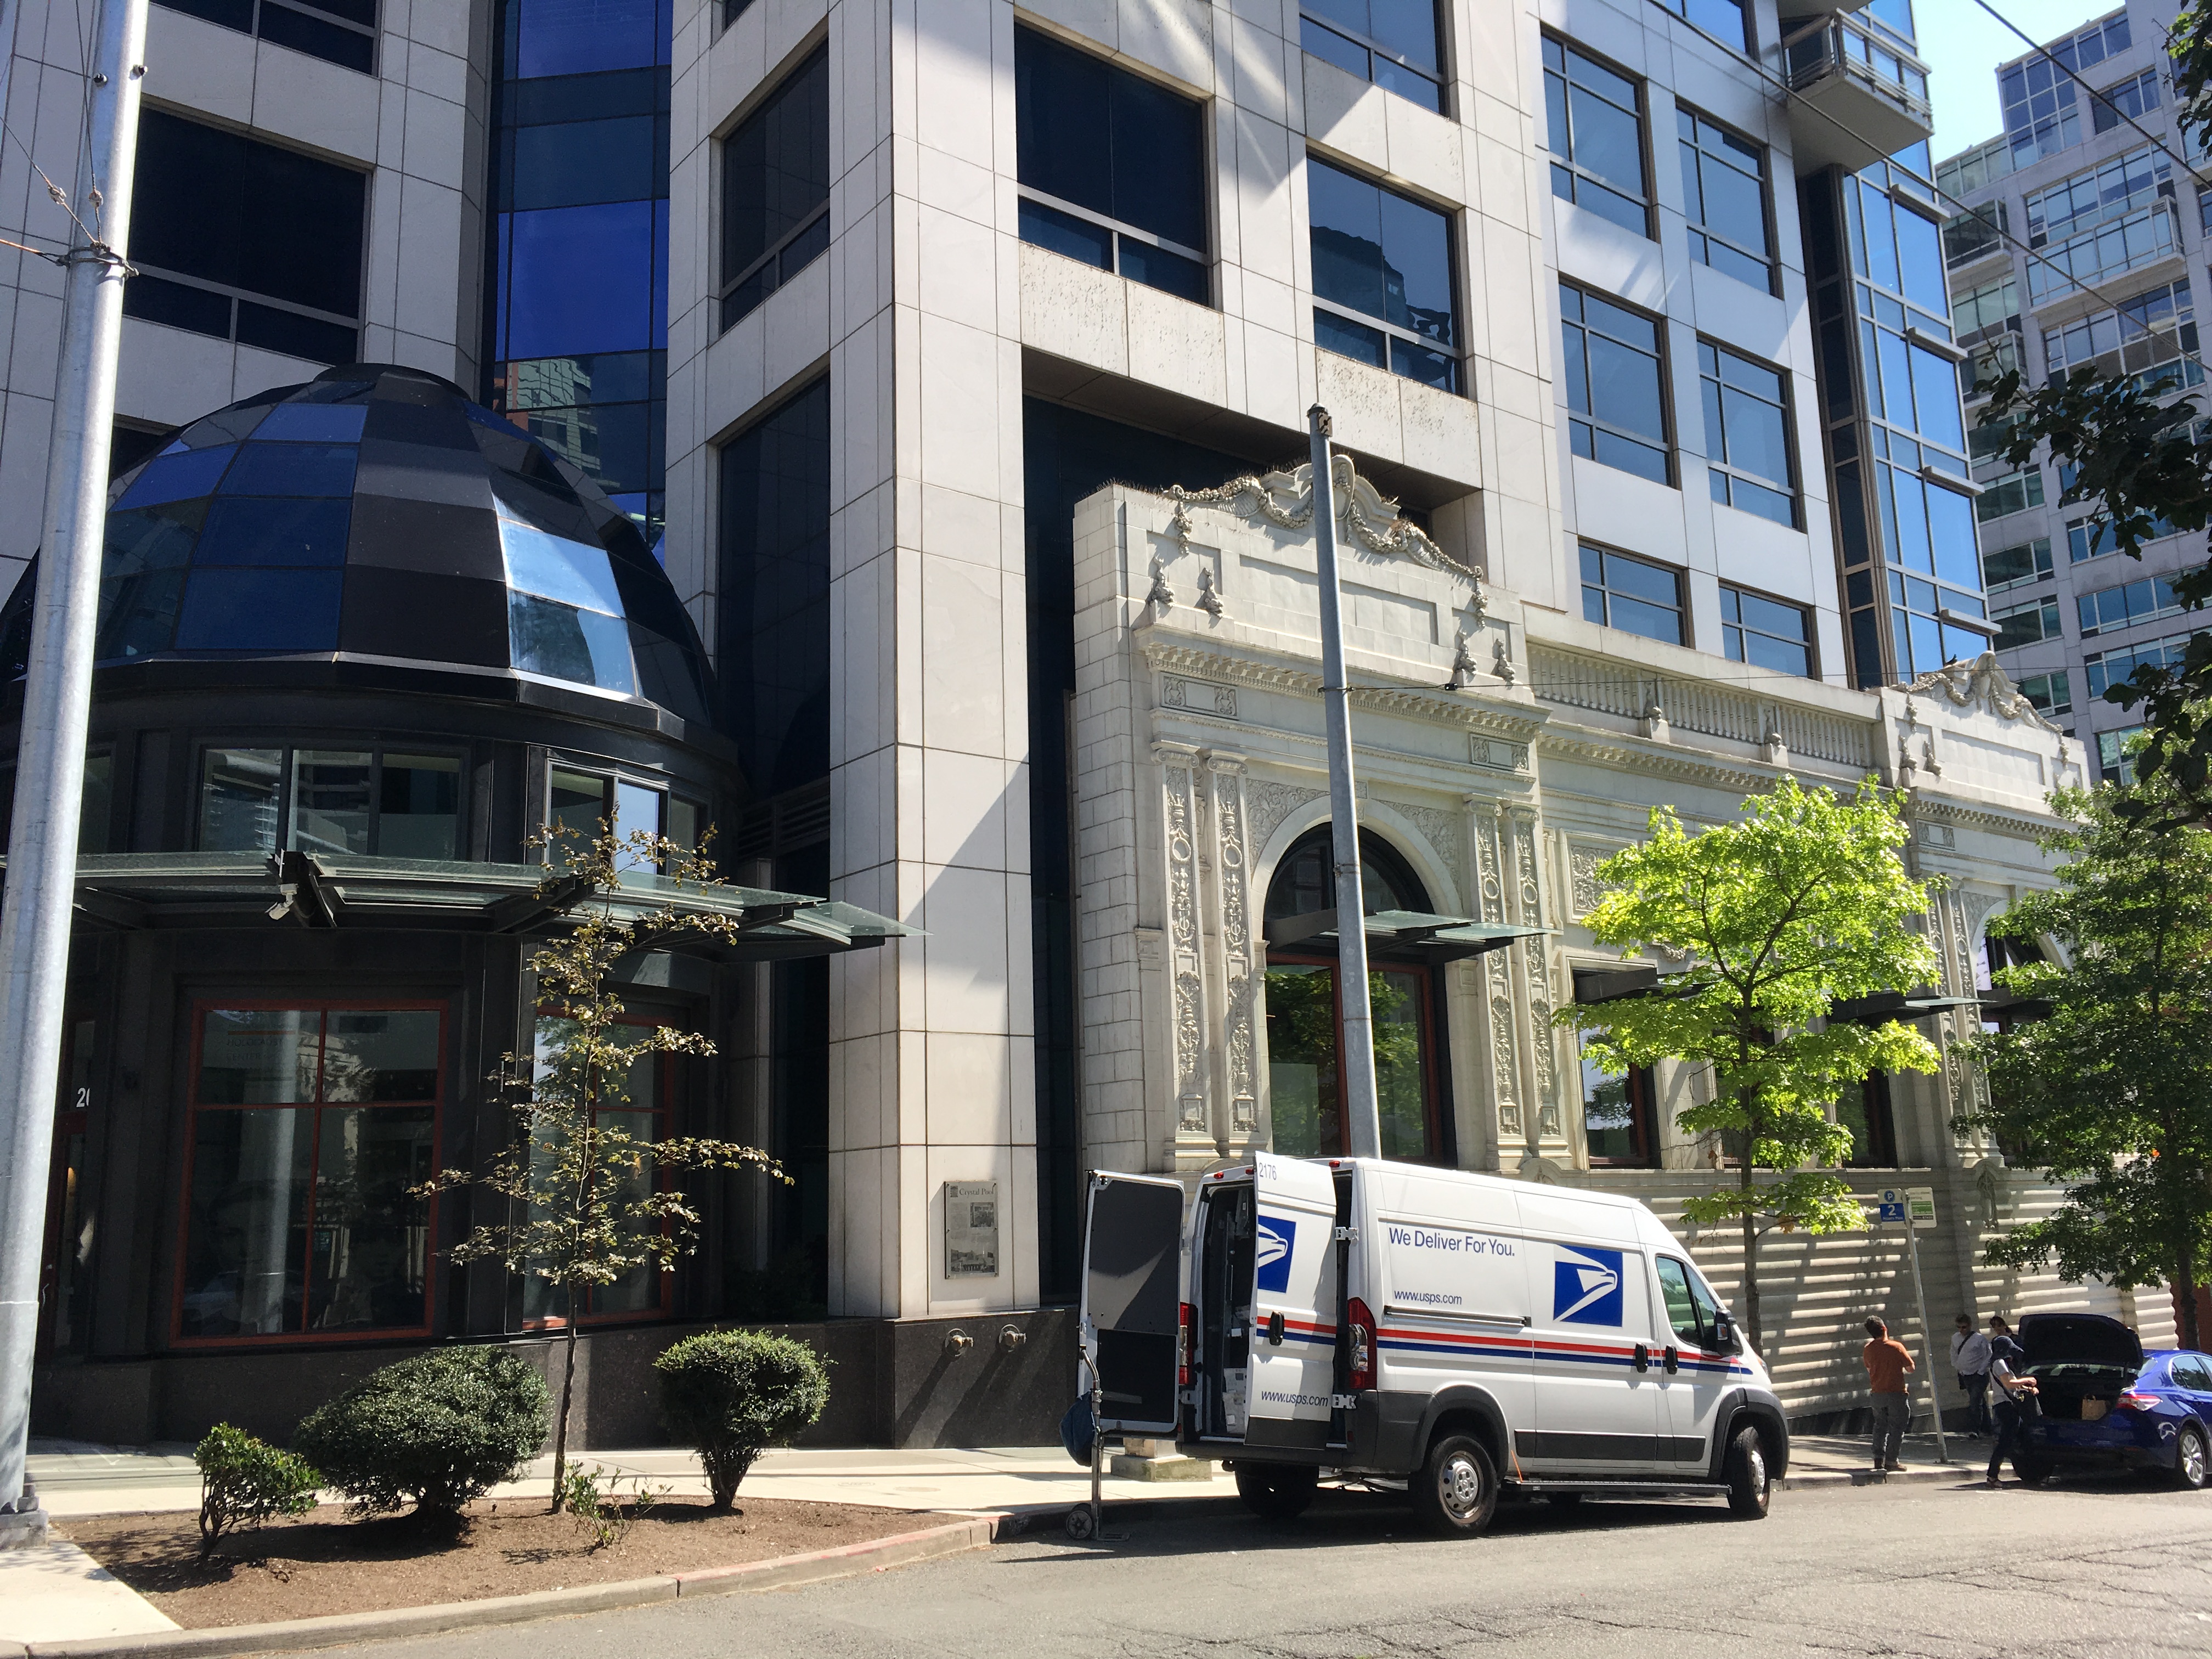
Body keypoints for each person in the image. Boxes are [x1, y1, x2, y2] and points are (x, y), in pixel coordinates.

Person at [1861, 1316, 1915, 1473]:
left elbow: (1869, 1369)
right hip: (1896, 1393)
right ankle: (1891, 1461)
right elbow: (1911, 1368)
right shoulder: (1896, 1347)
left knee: (1880, 1426)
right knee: (1896, 1428)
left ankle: (1878, 1458)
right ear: (1884, 1328)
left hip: (1877, 1393)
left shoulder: (1868, 1349)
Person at [1986, 1333, 2040, 1487]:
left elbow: (2013, 1384)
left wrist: (2028, 1389)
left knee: (2023, 1439)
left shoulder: (2002, 1363)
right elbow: (2009, 1383)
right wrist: (2028, 1380)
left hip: (2009, 1405)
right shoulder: (1999, 1363)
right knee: (2006, 1441)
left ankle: (2033, 1475)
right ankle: (1992, 1476)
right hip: (2005, 1406)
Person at [1953, 1313, 1993, 1436]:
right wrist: (1958, 1367)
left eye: (1964, 1327)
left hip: (1979, 1375)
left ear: (1970, 1326)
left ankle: (1975, 1429)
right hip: (1965, 1375)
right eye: (1959, 1327)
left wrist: (1981, 1371)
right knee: (1979, 1401)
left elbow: (1989, 1355)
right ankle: (1988, 1427)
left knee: (1975, 1401)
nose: (1961, 1330)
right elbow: (1953, 1353)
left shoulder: (1979, 1339)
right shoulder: (1955, 1338)